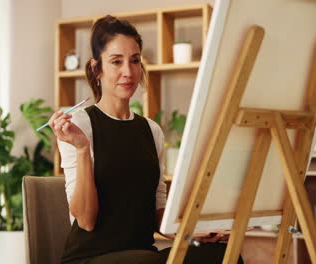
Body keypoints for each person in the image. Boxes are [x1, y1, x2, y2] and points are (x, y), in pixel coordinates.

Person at [48, 15, 243, 264]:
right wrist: (83, 148)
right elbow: (86, 221)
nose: (128, 71)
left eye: (134, 60)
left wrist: (193, 234)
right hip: (91, 257)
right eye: (116, 62)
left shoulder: (152, 130)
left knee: (225, 256)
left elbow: (157, 209)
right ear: (97, 69)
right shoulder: (80, 125)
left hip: (142, 255)